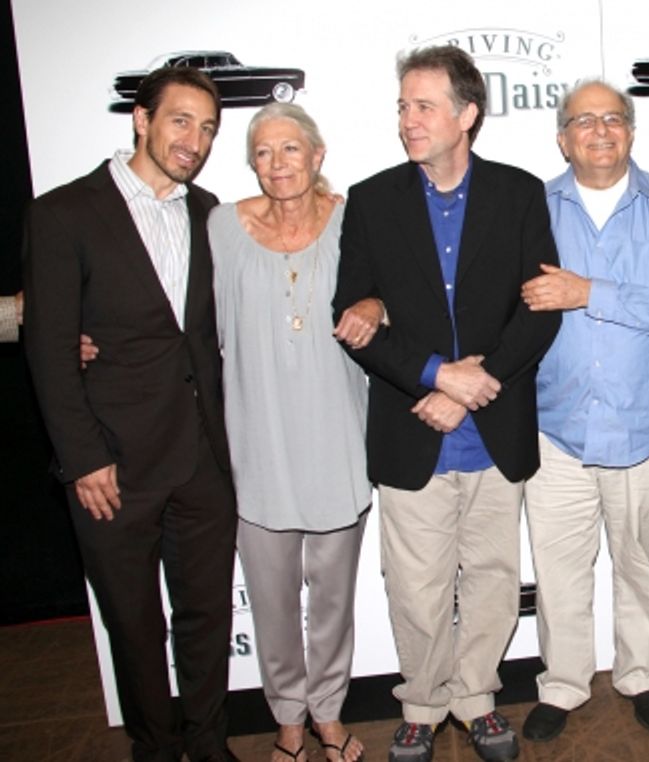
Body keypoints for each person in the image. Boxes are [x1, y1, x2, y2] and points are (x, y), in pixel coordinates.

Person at [331, 45, 560, 762]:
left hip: (492, 431)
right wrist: (436, 376)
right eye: (403, 105)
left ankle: (478, 701)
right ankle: (424, 706)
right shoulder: (370, 201)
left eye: (424, 105)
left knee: (493, 585)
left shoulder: (521, 194)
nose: (408, 119)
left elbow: (542, 310)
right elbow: (353, 319)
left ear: (466, 115)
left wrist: (472, 386)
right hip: (413, 431)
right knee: (418, 590)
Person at [22, 67, 238, 761]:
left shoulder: (211, 214)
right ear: (141, 120)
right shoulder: (63, 214)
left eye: (207, 128)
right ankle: (155, 747)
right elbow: (50, 351)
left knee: (205, 618)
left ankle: (207, 743)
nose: (194, 140)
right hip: (113, 467)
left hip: (203, 459)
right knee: (136, 624)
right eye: (181, 120)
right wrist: (83, 457)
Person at [518, 80, 649, 742]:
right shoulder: (530, 208)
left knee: (635, 560)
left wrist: (586, 291)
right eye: (583, 120)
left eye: (613, 118)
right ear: (562, 136)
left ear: (631, 129)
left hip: (645, 424)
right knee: (560, 569)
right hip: (554, 427)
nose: (600, 130)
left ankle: (640, 676)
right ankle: (564, 683)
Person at [210, 103, 382, 762]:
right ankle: (286, 719)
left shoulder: (354, 219)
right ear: (250, 162)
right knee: (273, 604)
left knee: (333, 602)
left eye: (290, 149)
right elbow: (172, 303)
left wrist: (375, 303)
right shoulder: (222, 227)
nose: (278, 164)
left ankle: (329, 714)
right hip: (257, 446)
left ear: (317, 154)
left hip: (337, 440)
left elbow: (395, 291)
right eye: (263, 152)